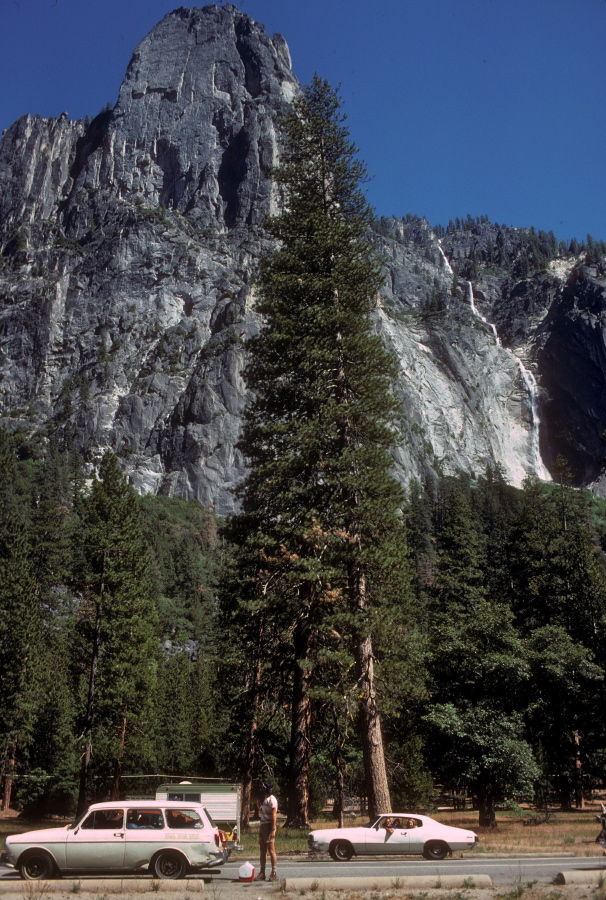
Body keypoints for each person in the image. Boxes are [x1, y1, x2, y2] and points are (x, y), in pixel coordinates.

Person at [257, 783, 278, 881]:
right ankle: (262, 872)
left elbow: (274, 815)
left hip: (269, 825)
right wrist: (258, 805)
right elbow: (264, 812)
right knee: (262, 850)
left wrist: (273, 829)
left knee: (271, 850)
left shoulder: (272, 799)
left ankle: (273, 872)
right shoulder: (266, 799)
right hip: (263, 825)